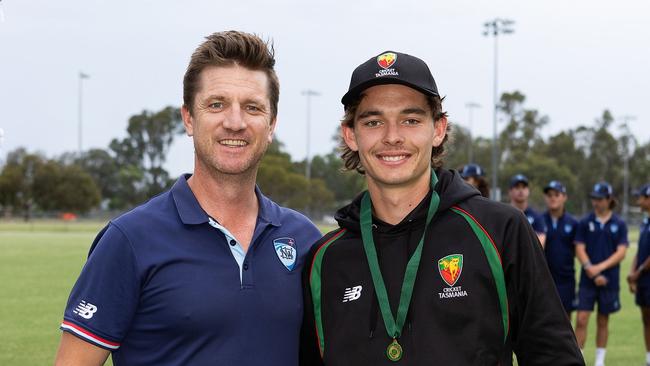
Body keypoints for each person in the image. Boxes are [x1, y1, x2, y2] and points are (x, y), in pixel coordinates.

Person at [54, 31, 322, 366]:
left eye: (252, 107)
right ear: (189, 119)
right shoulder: (130, 240)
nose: (235, 122)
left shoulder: (305, 238)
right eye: (216, 104)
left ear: (271, 125)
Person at [299, 50, 583, 365]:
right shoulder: (324, 261)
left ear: (438, 129)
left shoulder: (500, 231)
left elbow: (555, 356)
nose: (393, 137)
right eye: (374, 121)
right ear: (351, 134)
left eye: (410, 119)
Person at [574, 182, 628, 366]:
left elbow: (621, 252)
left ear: (609, 199)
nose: (595, 202)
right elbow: (579, 248)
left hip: (609, 281)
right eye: (594, 198)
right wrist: (591, 269)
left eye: (599, 198)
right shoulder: (585, 221)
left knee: (603, 320)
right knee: (581, 319)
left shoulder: (619, 224)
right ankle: (578, 359)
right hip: (587, 280)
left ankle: (599, 361)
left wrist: (600, 268)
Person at [542, 180, 579, 316]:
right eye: (549, 195)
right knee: (543, 319)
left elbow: (577, 250)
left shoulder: (573, 223)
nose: (553, 198)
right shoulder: (539, 220)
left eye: (556, 195)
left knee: (565, 319)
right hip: (544, 279)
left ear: (564, 197)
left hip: (566, 280)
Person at [626, 184, 650, 366]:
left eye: (640, 197)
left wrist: (639, 272)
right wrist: (632, 273)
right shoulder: (645, 222)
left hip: (646, 277)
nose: (638, 201)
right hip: (643, 279)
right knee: (646, 318)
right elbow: (640, 251)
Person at [509, 174, 547, 247]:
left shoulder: (537, 217)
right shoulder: (504, 214)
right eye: (517, 187)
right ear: (510, 191)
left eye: (524, 187)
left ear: (528, 191)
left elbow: (539, 246)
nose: (521, 190)